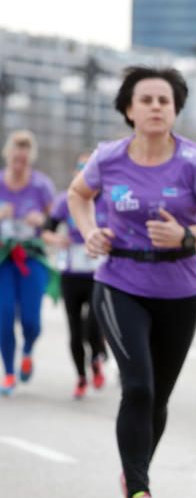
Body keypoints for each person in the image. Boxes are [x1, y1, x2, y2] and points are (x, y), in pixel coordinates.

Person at [68, 66, 196, 498]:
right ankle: (140, 497)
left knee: (158, 398)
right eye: (146, 99)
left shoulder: (194, 162)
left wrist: (187, 234)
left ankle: (134, 472)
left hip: (180, 292)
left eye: (165, 100)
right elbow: (78, 195)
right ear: (128, 109)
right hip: (119, 281)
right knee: (138, 387)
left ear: (176, 109)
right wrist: (89, 233)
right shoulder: (109, 158)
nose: (156, 107)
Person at [42, 152, 109, 399]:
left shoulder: (109, 200)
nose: (85, 173)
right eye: (80, 167)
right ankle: (81, 377)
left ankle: (96, 361)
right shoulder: (66, 200)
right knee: (74, 328)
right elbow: (46, 229)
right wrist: (55, 238)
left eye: (90, 168)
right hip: (71, 273)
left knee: (93, 324)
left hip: (99, 274)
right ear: (74, 173)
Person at [0, 129, 57, 396]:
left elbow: (54, 221)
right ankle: (9, 373)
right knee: (4, 315)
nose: (19, 164)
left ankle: (27, 349)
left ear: (29, 159)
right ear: (8, 156)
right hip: (3, 258)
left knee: (31, 320)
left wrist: (41, 221)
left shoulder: (41, 185)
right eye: (15, 159)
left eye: (24, 160)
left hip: (31, 256)